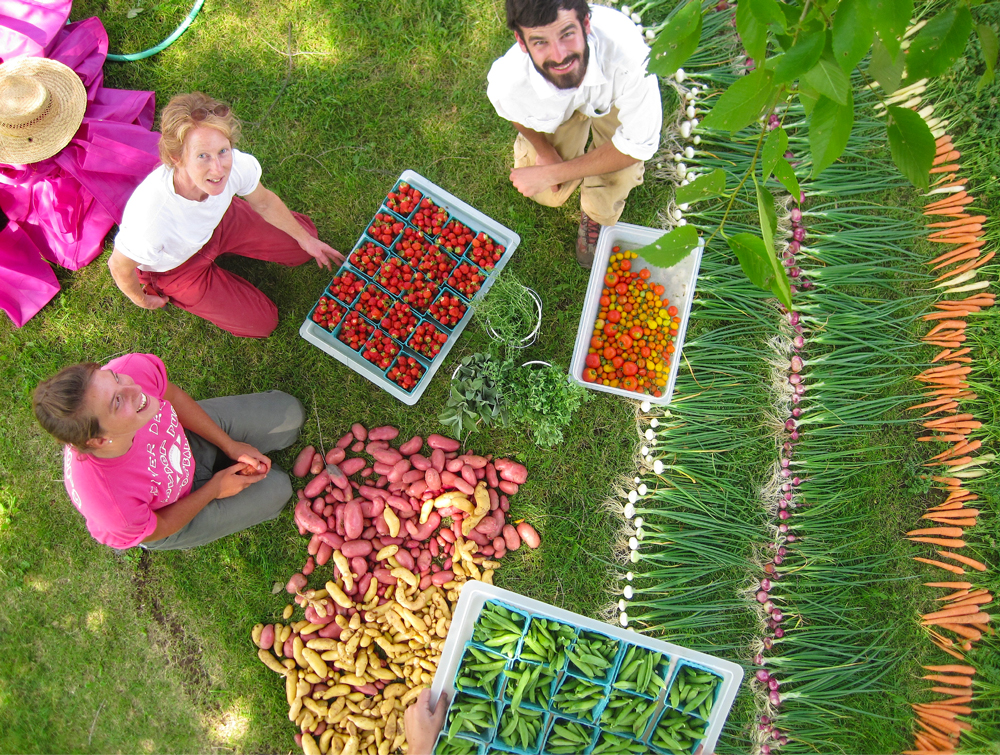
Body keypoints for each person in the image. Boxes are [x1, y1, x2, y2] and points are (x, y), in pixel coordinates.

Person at [108, 92, 343, 338]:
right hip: (176, 266)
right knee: (262, 322)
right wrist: (141, 299)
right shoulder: (150, 218)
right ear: (177, 158)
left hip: (221, 222)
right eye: (202, 156)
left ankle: (277, 241)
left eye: (223, 150)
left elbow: (264, 203)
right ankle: (188, 289)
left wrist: (306, 239)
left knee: (301, 245)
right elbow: (119, 266)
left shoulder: (236, 166)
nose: (218, 169)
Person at [32, 352, 305, 550]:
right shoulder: (113, 508)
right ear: (100, 441)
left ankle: (218, 459)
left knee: (291, 415)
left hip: (185, 439)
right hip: (171, 509)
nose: (134, 387)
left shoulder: (131, 373)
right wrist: (214, 489)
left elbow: (171, 396)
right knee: (279, 489)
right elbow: (158, 528)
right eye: (117, 401)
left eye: (113, 377)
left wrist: (228, 443)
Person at [487, 0, 662, 267]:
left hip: (613, 97)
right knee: (547, 193)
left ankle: (596, 213)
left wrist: (553, 172)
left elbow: (637, 145)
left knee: (617, 174)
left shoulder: (629, 57)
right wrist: (545, 153)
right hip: (561, 111)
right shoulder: (510, 81)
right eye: (540, 42)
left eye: (567, 34)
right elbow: (513, 112)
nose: (559, 56)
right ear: (521, 43)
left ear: (586, 23)